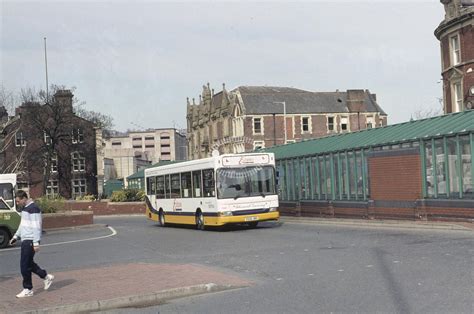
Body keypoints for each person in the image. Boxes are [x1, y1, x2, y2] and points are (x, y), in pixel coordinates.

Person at [9, 190, 54, 298]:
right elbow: (22, 225)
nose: (18, 203)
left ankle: (28, 289)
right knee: (28, 264)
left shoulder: (33, 209)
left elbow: (36, 227)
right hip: (25, 240)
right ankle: (46, 276)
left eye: (18, 201)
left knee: (24, 266)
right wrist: (16, 236)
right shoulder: (25, 209)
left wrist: (35, 242)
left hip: (30, 241)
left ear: (24, 198)